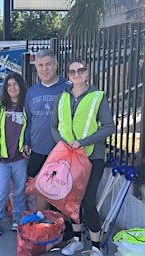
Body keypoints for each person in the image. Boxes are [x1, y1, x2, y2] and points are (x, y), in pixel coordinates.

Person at [50, 59, 115, 256]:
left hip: (92, 157)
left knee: (87, 201)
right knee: (71, 200)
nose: (77, 74)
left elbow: (109, 127)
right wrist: (62, 143)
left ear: (87, 73)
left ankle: (95, 246)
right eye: (72, 71)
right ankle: (77, 239)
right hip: (68, 158)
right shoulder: (62, 97)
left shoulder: (97, 97)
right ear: (68, 75)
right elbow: (53, 125)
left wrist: (83, 142)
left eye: (81, 70)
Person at [23, 49, 70, 210]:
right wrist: (26, 141)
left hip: (62, 150)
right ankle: (44, 224)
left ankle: (63, 225)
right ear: (36, 67)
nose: (45, 69)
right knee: (41, 187)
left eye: (48, 64)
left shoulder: (68, 88)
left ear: (56, 65)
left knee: (60, 189)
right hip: (38, 148)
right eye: (41, 65)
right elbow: (28, 120)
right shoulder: (32, 92)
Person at [0, 72, 28, 235]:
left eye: (15, 84)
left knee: (19, 191)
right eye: (9, 85)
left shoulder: (26, 105)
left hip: (20, 158)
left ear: (21, 86)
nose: (12, 88)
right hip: (3, 158)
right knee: (1, 190)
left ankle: (17, 219)